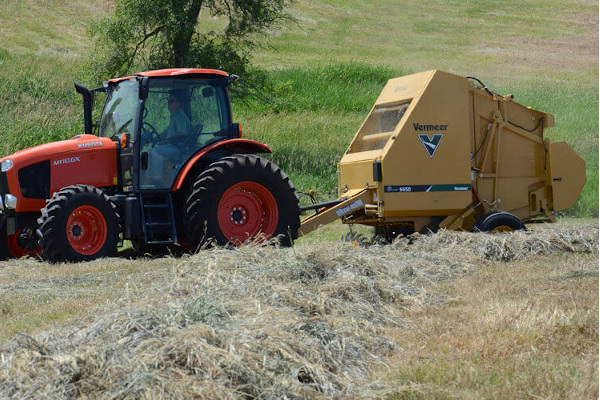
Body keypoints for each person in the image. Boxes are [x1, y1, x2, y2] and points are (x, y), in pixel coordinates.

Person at [143, 90, 193, 188]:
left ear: (179, 103)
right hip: (172, 145)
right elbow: (166, 132)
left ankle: (155, 178)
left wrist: (166, 140)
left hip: (177, 147)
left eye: (171, 101)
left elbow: (181, 133)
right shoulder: (174, 117)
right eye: (168, 101)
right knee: (149, 151)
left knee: (153, 152)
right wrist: (154, 138)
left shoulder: (180, 116)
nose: (168, 103)